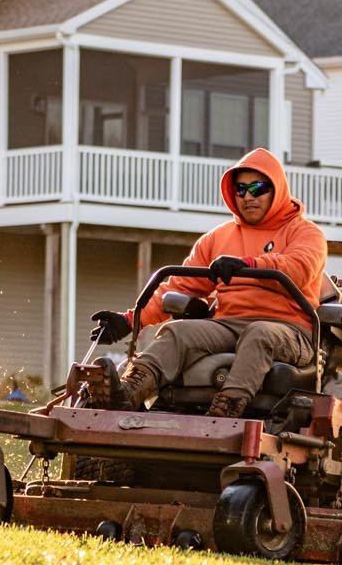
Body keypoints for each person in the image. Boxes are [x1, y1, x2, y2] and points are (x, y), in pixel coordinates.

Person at [90, 147, 326, 419]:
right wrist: (131, 321)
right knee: (178, 331)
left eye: (257, 188)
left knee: (259, 333)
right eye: (241, 190)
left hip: (288, 328)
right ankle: (128, 393)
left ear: (277, 189)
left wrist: (249, 264)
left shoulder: (305, 232)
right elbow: (180, 286)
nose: (248, 196)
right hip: (228, 323)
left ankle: (225, 411)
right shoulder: (217, 238)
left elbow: (300, 269)